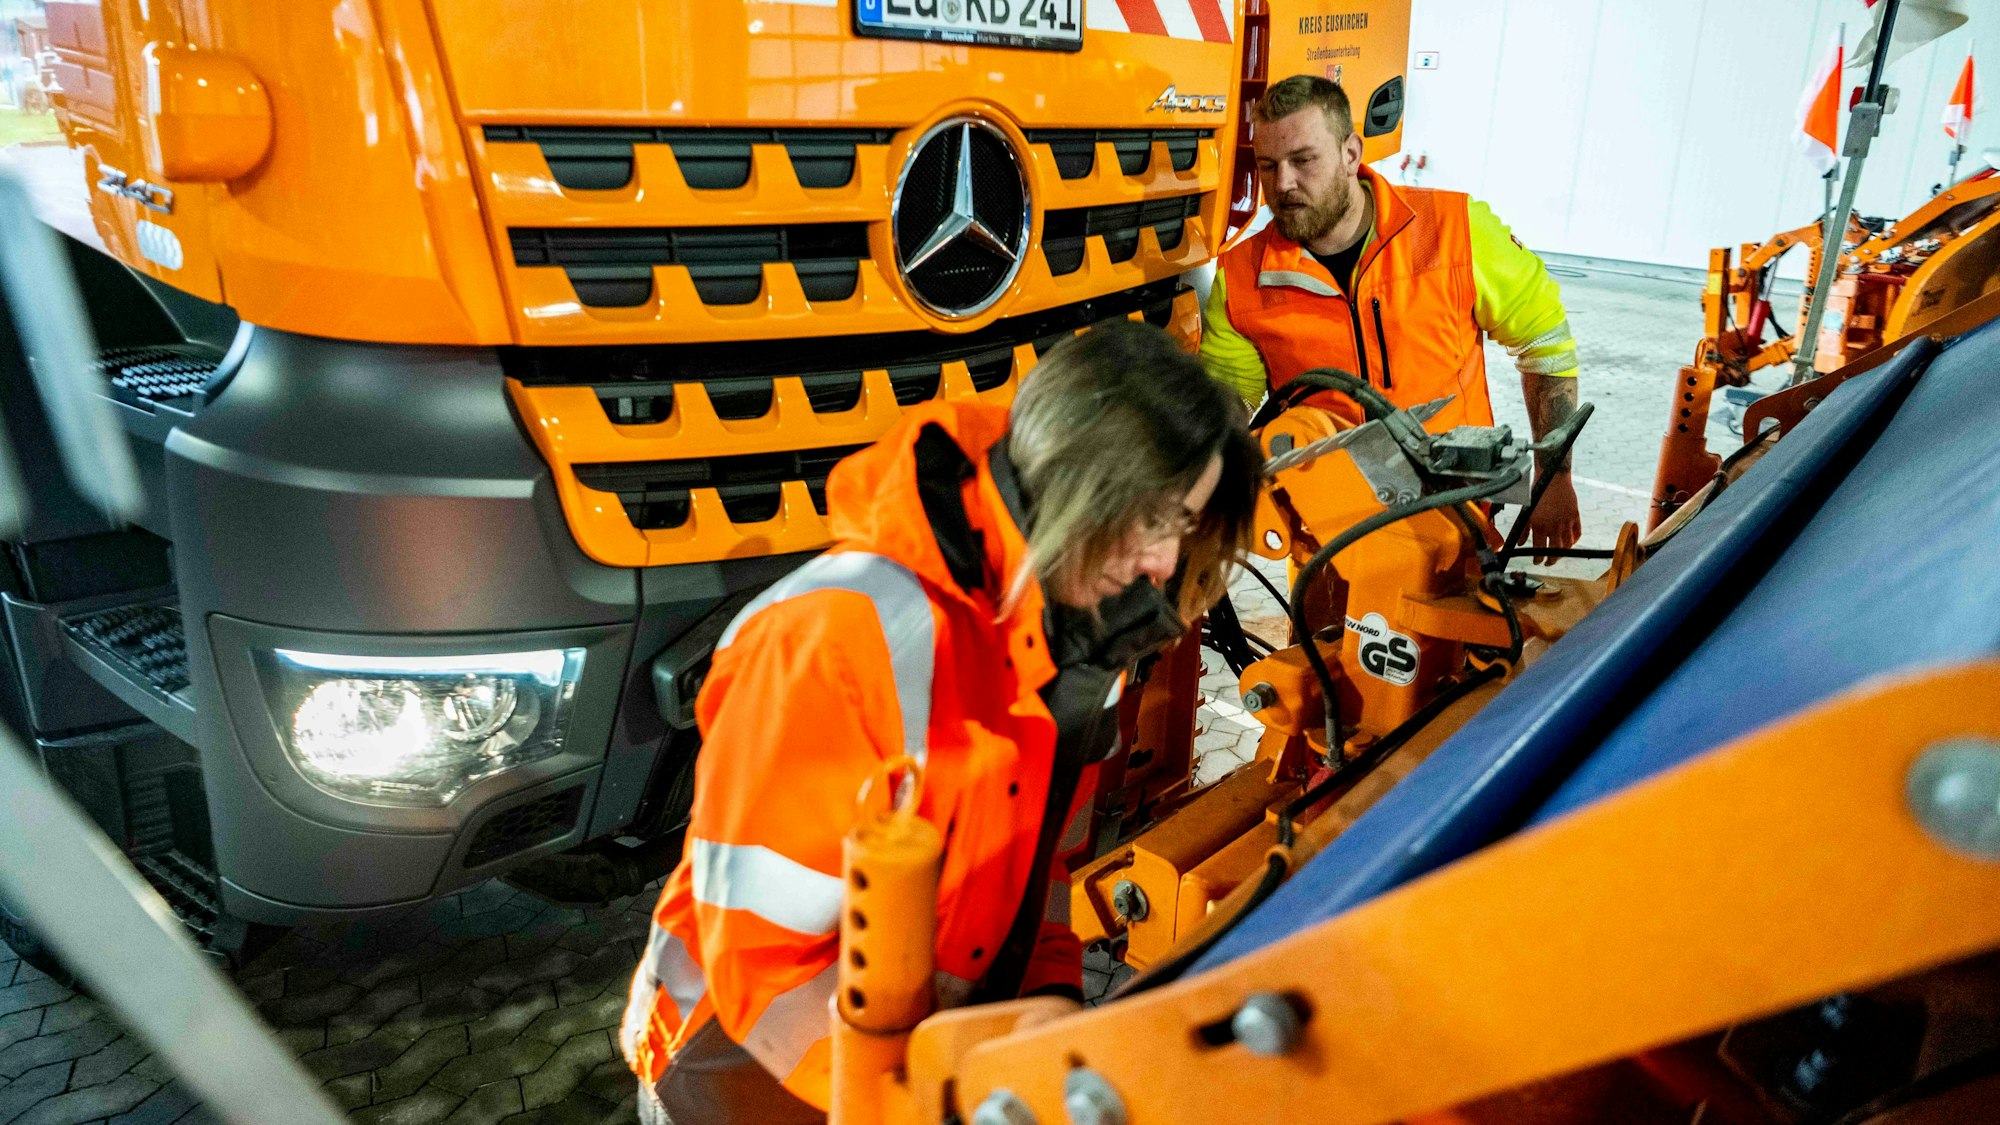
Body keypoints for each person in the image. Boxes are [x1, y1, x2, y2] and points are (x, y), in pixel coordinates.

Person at [620, 321, 1262, 1123]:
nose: (1166, 565)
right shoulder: (834, 642)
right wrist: (934, 1101)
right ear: (1083, 485)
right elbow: (762, 969)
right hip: (739, 1074)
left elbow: (1044, 877)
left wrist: (1050, 1011)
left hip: (915, 1061)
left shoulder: (1080, 640)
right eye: (1160, 520)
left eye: (1186, 527)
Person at [1202, 74, 1584, 563]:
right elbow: (1226, 401)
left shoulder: (1455, 231)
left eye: (1303, 160)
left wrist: (1555, 477)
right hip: (1328, 544)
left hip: (1457, 529)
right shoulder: (1241, 276)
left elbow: (1545, 343)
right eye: (1268, 165)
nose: (1284, 184)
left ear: (1350, 153)